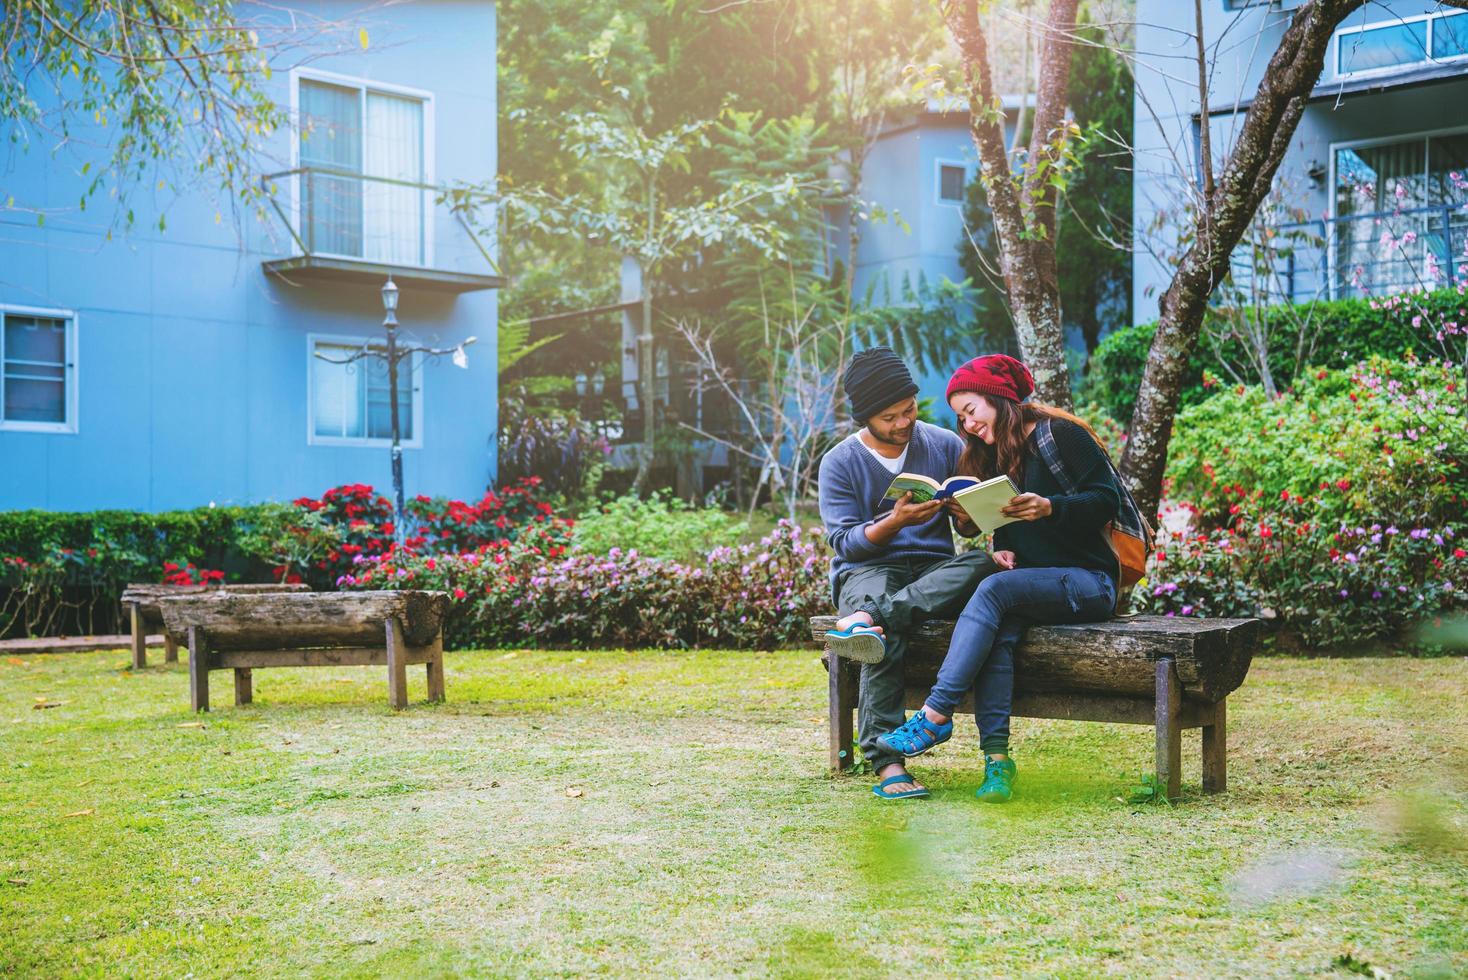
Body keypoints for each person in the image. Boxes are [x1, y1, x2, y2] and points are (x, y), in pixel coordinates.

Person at [873, 353, 1123, 804]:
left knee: (992, 590)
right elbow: (988, 526)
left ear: (999, 398)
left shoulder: (1061, 434)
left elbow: (1107, 500)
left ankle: (934, 715)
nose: (967, 424)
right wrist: (965, 517)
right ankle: (997, 763)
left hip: (1090, 582)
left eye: (971, 411)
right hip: (1029, 586)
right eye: (960, 417)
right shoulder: (988, 455)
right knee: (999, 632)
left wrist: (1051, 507)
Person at [817, 347, 1014, 801]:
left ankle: (870, 618)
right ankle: (887, 763)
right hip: (867, 569)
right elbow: (845, 543)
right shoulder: (840, 462)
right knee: (885, 636)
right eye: (890, 417)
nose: (904, 423)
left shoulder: (943, 443)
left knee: (985, 564)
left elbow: (968, 525)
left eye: (909, 409)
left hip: (932, 568)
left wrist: (967, 515)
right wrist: (894, 522)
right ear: (865, 416)